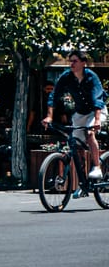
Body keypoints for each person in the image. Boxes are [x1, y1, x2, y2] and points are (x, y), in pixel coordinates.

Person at [43, 54, 104, 182]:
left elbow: (97, 99)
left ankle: (97, 167)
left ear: (83, 63)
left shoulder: (91, 77)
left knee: (89, 133)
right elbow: (54, 95)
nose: (72, 64)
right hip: (80, 112)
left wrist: (97, 120)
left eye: (75, 61)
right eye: (70, 61)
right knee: (76, 143)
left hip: (96, 111)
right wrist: (49, 117)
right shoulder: (66, 77)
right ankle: (82, 178)